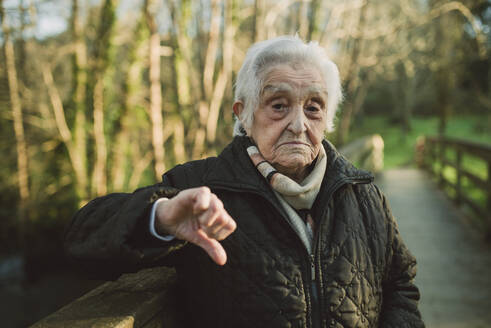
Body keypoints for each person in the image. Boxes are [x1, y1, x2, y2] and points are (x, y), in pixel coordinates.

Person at [64, 36, 424, 328]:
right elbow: (81, 238)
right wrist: (159, 219)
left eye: (313, 106)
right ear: (244, 114)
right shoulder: (202, 188)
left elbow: (401, 285)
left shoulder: (363, 195)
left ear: (327, 117)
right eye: (278, 105)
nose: (299, 124)